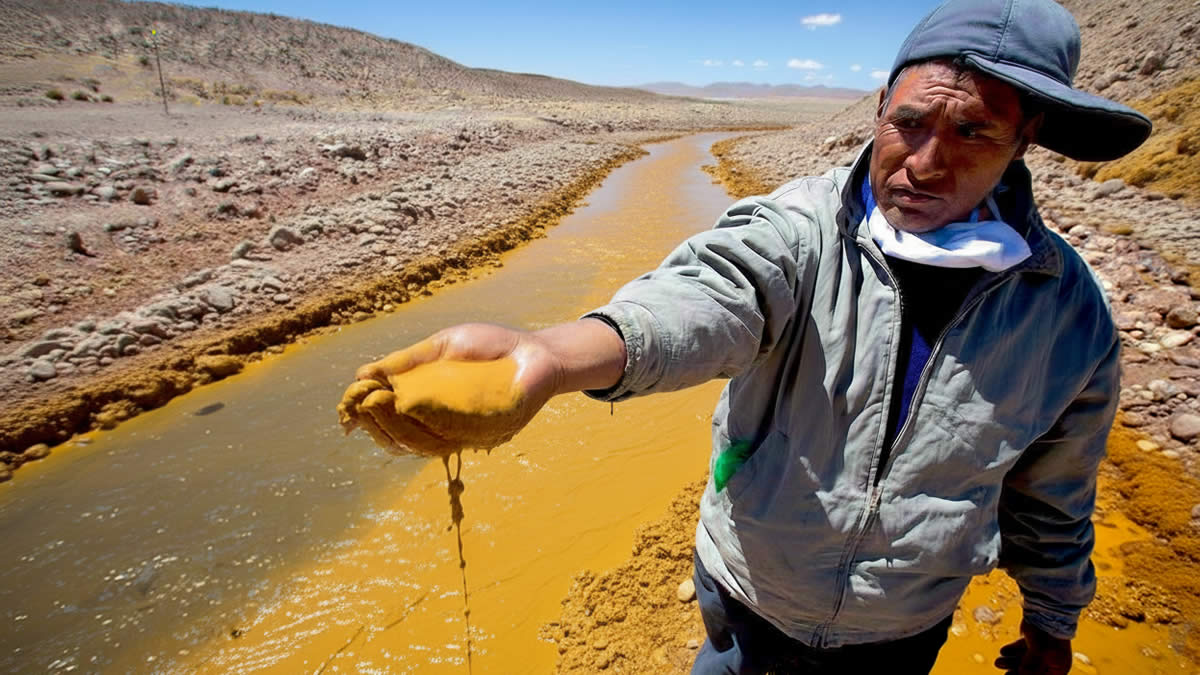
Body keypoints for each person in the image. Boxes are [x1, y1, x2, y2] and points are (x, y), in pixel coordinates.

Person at [351, 0, 1151, 672]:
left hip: (899, 631)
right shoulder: (800, 231)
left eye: (973, 133)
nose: (924, 164)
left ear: (1027, 137)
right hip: (745, 596)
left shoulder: (1068, 316)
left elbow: (1055, 491)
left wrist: (1052, 619)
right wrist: (551, 357)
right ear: (880, 107)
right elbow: (706, 298)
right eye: (909, 123)